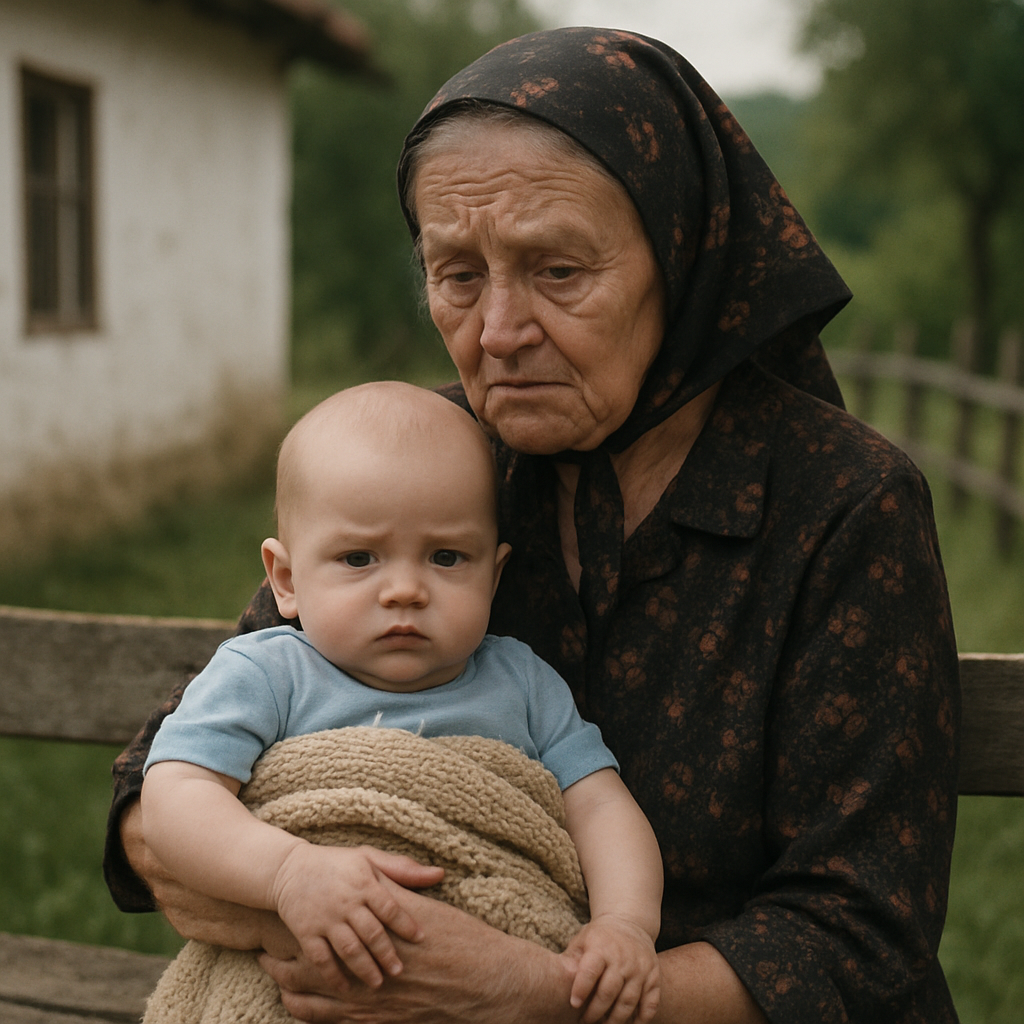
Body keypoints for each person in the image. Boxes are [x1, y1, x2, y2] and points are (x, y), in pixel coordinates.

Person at [104, 26, 962, 1024]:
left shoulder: (842, 505)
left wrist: (536, 991)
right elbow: (151, 790)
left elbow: (859, 927)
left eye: (558, 271)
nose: (498, 333)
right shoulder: (431, 457)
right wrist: (314, 909)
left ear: (683, 259)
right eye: (457, 274)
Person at [139, 381, 663, 1024]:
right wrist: (287, 874)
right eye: (359, 558)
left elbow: (602, 805)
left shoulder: (522, 682)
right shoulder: (268, 673)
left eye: (447, 557)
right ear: (286, 579)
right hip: (302, 987)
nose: (406, 590)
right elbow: (174, 795)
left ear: (494, 577)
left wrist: (624, 923)